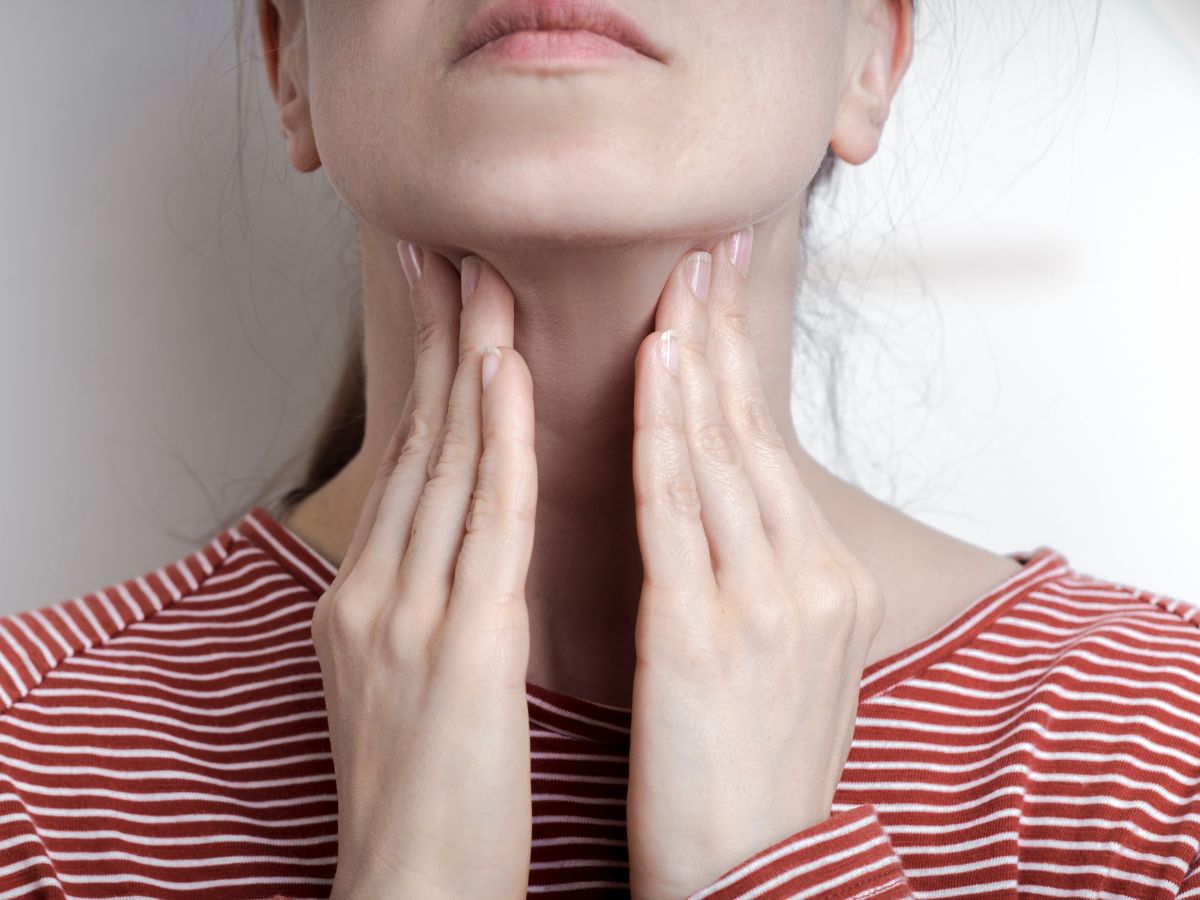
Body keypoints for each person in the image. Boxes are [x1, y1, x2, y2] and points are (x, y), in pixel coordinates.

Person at [2, 0, 1199, 898]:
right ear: (288, 53)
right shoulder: (27, 773)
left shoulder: (1167, 764)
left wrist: (768, 869)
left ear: (871, 53)